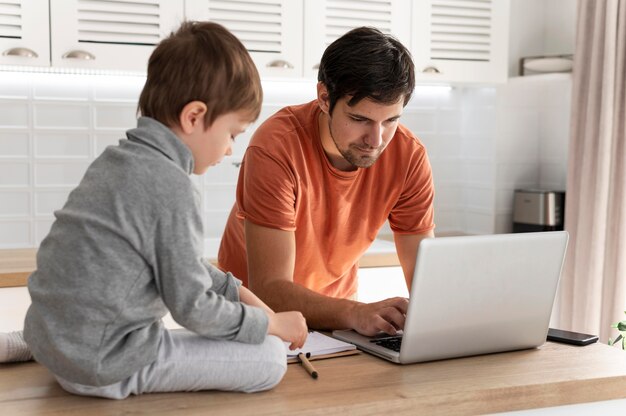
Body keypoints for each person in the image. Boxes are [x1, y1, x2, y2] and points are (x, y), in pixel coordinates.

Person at [0, 21, 308, 399]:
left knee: (251, 333)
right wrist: (269, 327)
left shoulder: (117, 161)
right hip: (101, 366)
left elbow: (188, 268)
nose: (230, 149)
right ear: (194, 117)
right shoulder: (172, 187)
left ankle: (28, 343)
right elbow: (193, 309)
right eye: (233, 134)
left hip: (56, 341)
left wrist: (267, 313)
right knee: (270, 360)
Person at [218, 27, 435, 337]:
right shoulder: (276, 147)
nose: (376, 140)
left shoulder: (408, 155)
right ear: (324, 98)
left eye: (390, 121)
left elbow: (425, 277)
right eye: (360, 119)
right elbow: (270, 289)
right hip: (256, 321)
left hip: (342, 321)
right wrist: (355, 313)